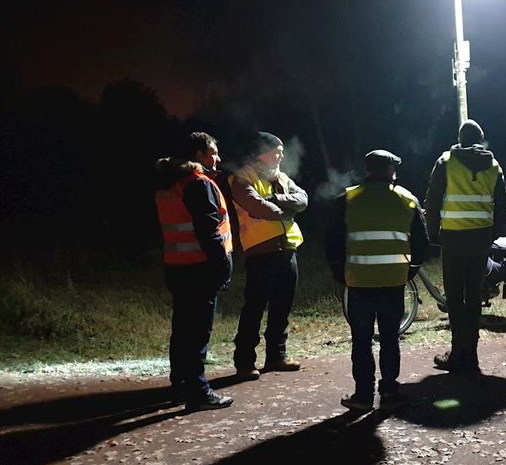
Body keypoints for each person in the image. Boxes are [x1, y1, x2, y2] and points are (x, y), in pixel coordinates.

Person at [326, 149, 429, 412]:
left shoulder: (347, 199)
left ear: (368, 170)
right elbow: (421, 243)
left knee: (361, 340)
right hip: (393, 282)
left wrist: (340, 271)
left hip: (358, 282)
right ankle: (390, 392)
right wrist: (410, 270)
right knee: (390, 338)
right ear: (391, 171)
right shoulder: (407, 200)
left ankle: (362, 395)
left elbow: (333, 241)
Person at [424, 119, 506, 376]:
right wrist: (492, 235)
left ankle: (457, 352)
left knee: (454, 298)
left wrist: (433, 234)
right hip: (480, 240)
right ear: (481, 139)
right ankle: (471, 355)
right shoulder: (493, 166)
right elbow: (503, 207)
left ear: (460, 138)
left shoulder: (446, 162)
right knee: (473, 297)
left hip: (453, 239)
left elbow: (432, 202)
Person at [155, 153, 234, 410]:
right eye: (213, 151)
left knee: (182, 331)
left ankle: (179, 386)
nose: (219, 157)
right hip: (200, 268)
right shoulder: (197, 184)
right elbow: (208, 230)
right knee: (197, 333)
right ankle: (198, 392)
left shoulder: (168, 185)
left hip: (177, 267)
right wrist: (222, 266)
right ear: (196, 156)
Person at [229, 132, 308, 380]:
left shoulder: (281, 177)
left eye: (282, 150)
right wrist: (285, 210)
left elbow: (303, 199)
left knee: (282, 306)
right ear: (260, 152)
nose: (281, 155)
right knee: (255, 307)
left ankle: (276, 356)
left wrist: (276, 199)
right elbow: (257, 207)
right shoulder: (242, 178)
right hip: (261, 251)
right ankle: (244, 361)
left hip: (288, 249)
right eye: (276, 151)